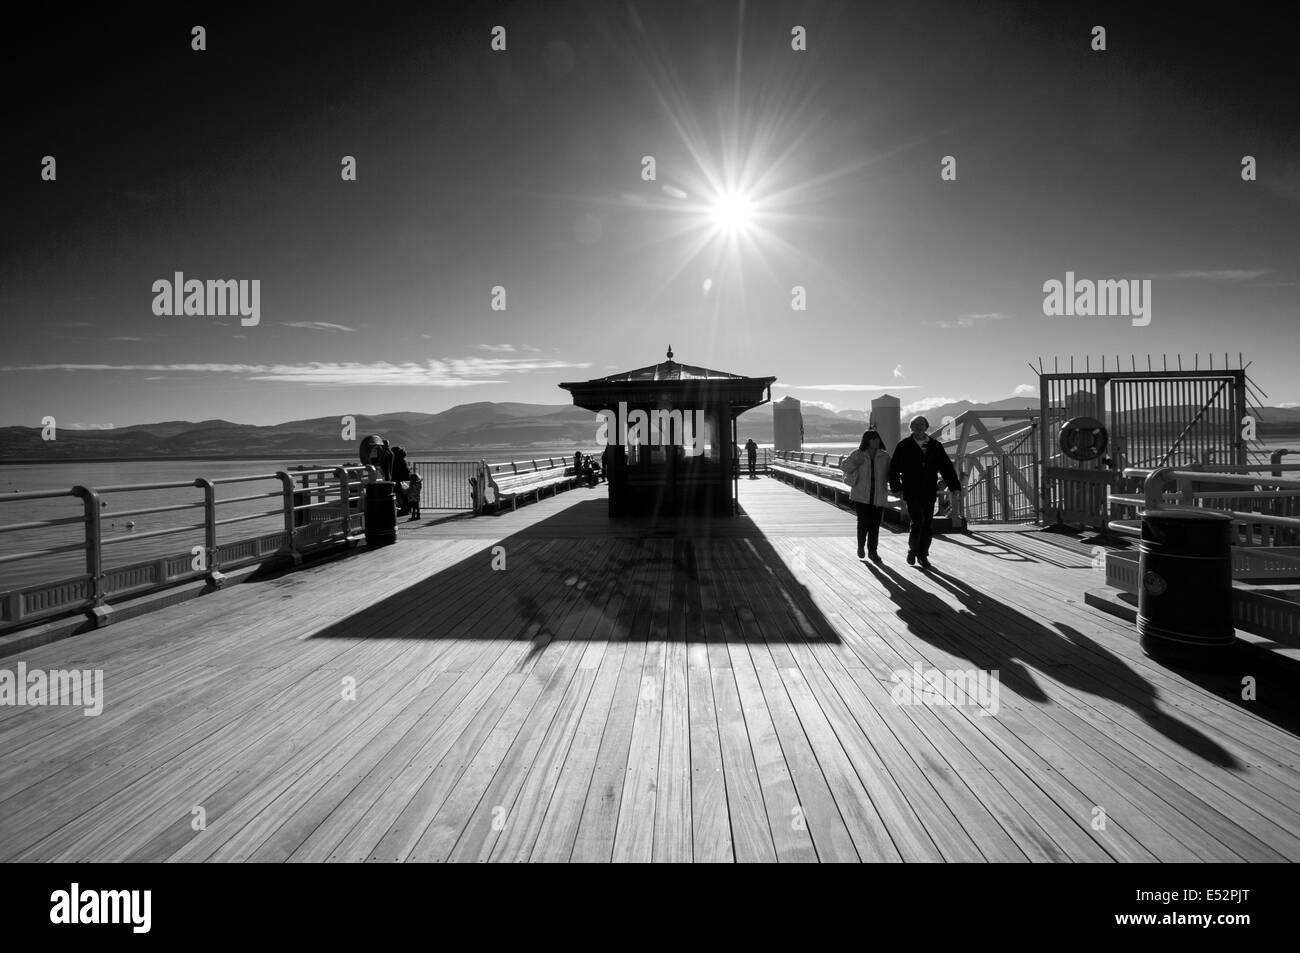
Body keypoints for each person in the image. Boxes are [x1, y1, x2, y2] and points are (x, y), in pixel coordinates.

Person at [888, 415, 961, 569]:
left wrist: (954, 487)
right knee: (917, 521)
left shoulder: (935, 446)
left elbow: (946, 467)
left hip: (929, 490)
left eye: (922, 424)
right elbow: (893, 469)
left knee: (927, 524)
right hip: (911, 490)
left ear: (926, 427)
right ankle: (912, 549)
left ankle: (923, 554)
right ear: (911, 428)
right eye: (916, 425)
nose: (919, 427)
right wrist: (896, 488)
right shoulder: (904, 445)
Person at [840, 429, 890, 562]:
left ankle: (873, 551)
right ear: (866, 441)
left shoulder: (884, 456)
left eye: (877, 438)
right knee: (863, 523)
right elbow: (844, 467)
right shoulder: (857, 454)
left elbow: (891, 474)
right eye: (873, 439)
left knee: (875, 525)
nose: (876, 441)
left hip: (878, 495)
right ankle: (861, 547)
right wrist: (857, 462)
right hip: (861, 495)